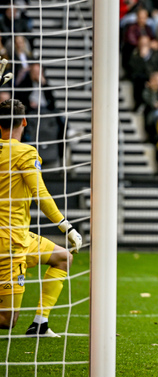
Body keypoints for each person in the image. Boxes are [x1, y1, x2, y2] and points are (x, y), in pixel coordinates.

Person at [0, 99, 82, 337]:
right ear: (24, 121)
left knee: (62, 258)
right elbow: (41, 194)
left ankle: (39, 324)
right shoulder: (25, 152)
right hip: (9, 242)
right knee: (7, 321)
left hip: (21, 237)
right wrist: (66, 226)